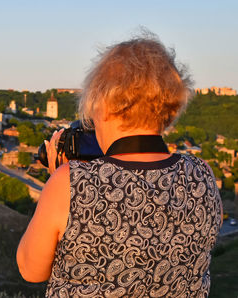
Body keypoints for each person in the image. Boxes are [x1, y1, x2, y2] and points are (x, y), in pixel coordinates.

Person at [16, 33, 223, 297]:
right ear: (170, 111)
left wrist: (59, 178)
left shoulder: (70, 183)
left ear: (103, 104)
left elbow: (30, 270)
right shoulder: (202, 175)